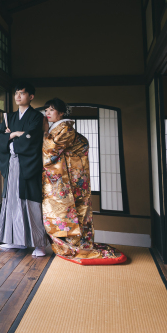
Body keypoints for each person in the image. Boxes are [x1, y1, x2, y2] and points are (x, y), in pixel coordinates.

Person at [41, 98, 126, 265]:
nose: (47, 113)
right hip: (68, 177)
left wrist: (43, 135)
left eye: (51, 110)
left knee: (72, 209)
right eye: (46, 110)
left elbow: (50, 152)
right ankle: (72, 241)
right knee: (67, 209)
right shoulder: (57, 128)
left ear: (62, 113)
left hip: (70, 178)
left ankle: (73, 243)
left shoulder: (65, 129)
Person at [0, 82, 49, 257]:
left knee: (31, 203)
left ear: (30, 97)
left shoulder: (36, 117)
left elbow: (33, 138)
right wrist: (14, 134)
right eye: (16, 93)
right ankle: (18, 240)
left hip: (28, 165)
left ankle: (39, 244)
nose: (18, 96)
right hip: (12, 164)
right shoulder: (9, 117)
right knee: (13, 201)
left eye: (22, 93)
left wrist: (12, 137)